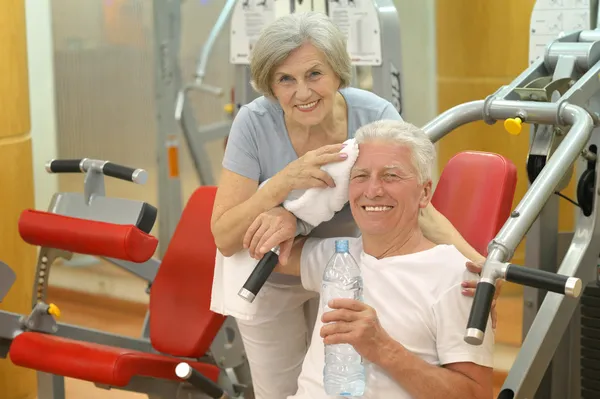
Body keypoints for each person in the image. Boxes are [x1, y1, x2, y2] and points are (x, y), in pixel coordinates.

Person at [210, 11, 498, 399]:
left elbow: (417, 205)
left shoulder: (373, 114)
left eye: (315, 74)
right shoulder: (254, 123)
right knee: (278, 390)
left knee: (354, 378)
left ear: (337, 72)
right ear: (270, 86)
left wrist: (483, 276)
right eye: (285, 79)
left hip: (345, 264)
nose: (303, 92)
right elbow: (226, 238)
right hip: (275, 271)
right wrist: (283, 183)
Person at [274, 119, 494, 399]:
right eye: (361, 176)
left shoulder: (455, 276)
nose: (373, 190)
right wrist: (283, 208)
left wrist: (383, 348)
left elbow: (477, 395)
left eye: (390, 176)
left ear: (424, 192)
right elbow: (250, 247)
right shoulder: (337, 257)